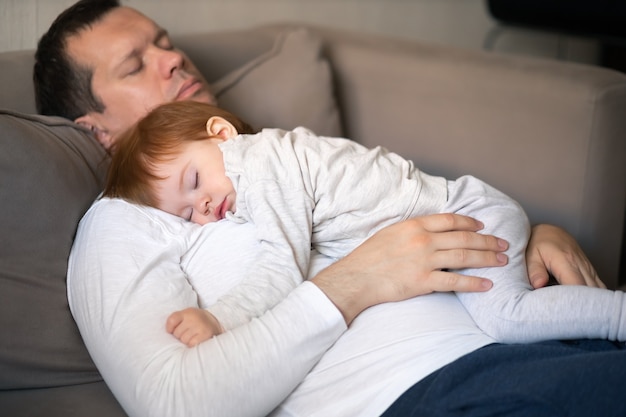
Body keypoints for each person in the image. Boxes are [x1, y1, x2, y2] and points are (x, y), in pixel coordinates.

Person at [36, 1, 624, 416]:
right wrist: (361, 279)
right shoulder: (119, 225)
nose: (172, 60)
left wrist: (531, 235)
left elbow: (414, 199)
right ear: (96, 133)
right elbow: (178, 403)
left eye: (164, 42)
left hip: (533, 340)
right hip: (438, 389)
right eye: (134, 66)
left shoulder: (267, 155)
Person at [103, 101, 626, 347]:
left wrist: (220, 319)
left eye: (194, 180)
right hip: (457, 218)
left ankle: (618, 317)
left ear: (220, 134)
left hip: (471, 215)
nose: (203, 208)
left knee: (508, 318)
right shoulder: (259, 168)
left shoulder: (258, 163)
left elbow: (280, 264)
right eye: (185, 211)